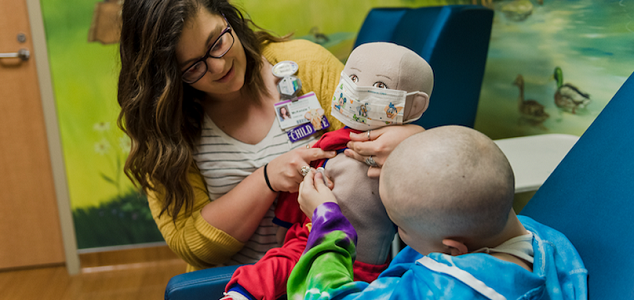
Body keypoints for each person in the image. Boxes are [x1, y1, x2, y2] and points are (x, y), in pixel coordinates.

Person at [116, 0, 423, 273]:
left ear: (227, 18)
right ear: (168, 77)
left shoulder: (308, 66)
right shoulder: (161, 128)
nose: (220, 65)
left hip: (335, 276)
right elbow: (192, 242)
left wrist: (410, 140)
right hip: (235, 285)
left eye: (217, 42)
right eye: (195, 66)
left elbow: (386, 134)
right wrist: (267, 179)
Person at [222, 43, 432, 300]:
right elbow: (305, 177)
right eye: (352, 78)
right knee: (274, 265)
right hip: (306, 237)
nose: (356, 89)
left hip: (363, 262)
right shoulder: (329, 143)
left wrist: (416, 142)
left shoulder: (408, 161)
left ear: (415, 104)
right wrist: (286, 222)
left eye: (379, 86)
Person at [289, 125, 588, 300]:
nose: (400, 234)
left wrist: (326, 221)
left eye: (400, 228)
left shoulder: (440, 289)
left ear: (453, 249)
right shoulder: (549, 243)